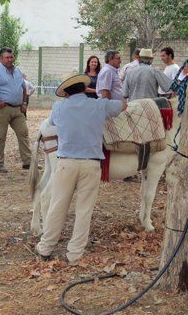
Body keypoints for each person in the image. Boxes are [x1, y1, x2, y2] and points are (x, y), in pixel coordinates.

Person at [34, 75, 125, 265]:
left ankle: (45, 247)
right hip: (91, 164)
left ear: (66, 93)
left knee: (58, 206)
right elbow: (122, 106)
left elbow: (51, 123)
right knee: (84, 210)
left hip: (66, 163)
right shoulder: (99, 105)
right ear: (84, 89)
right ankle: (74, 254)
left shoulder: (59, 107)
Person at [0, 47, 31, 173]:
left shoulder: (18, 71)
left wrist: (24, 102)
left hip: (17, 108)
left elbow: (24, 88)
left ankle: (27, 162)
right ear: (1, 58)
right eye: (7, 57)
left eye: (11, 57)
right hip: (1, 109)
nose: (10, 60)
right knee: (0, 136)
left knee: (23, 133)